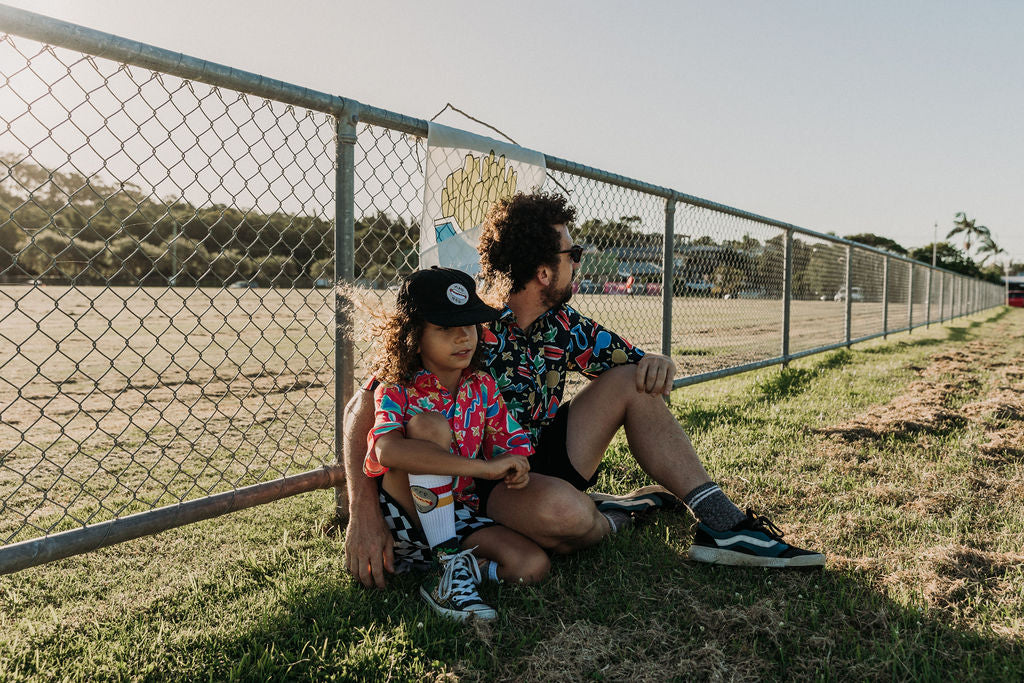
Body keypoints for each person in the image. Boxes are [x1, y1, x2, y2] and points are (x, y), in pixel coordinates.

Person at [344, 192, 824, 590]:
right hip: (485, 478)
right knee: (568, 518)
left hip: (538, 452)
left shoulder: (566, 324)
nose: (580, 263)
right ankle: (610, 514)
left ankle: (722, 523)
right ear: (544, 273)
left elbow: (639, 370)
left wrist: (658, 361)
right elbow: (365, 405)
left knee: (633, 383)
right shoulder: (470, 324)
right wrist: (362, 513)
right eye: (573, 255)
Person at [361, 266, 549, 620]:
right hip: (404, 516)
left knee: (532, 565)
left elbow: (509, 443)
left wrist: (515, 464)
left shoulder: (481, 386)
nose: (463, 337)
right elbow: (387, 451)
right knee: (430, 426)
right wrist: (482, 468)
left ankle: (452, 568)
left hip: (456, 511)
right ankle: (447, 569)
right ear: (414, 336)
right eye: (446, 328)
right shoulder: (397, 387)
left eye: (469, 325)